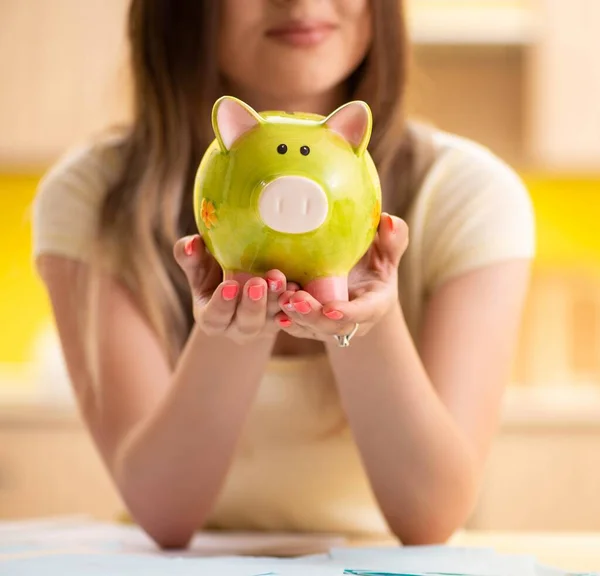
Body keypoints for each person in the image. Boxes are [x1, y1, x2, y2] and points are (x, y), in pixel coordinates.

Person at [31, 0, 535, 549]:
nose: (300, 3)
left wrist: (362, 318)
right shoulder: (93, 199)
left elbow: (431, 517)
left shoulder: (473, 195)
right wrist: (234, 326)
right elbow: (165, 513)